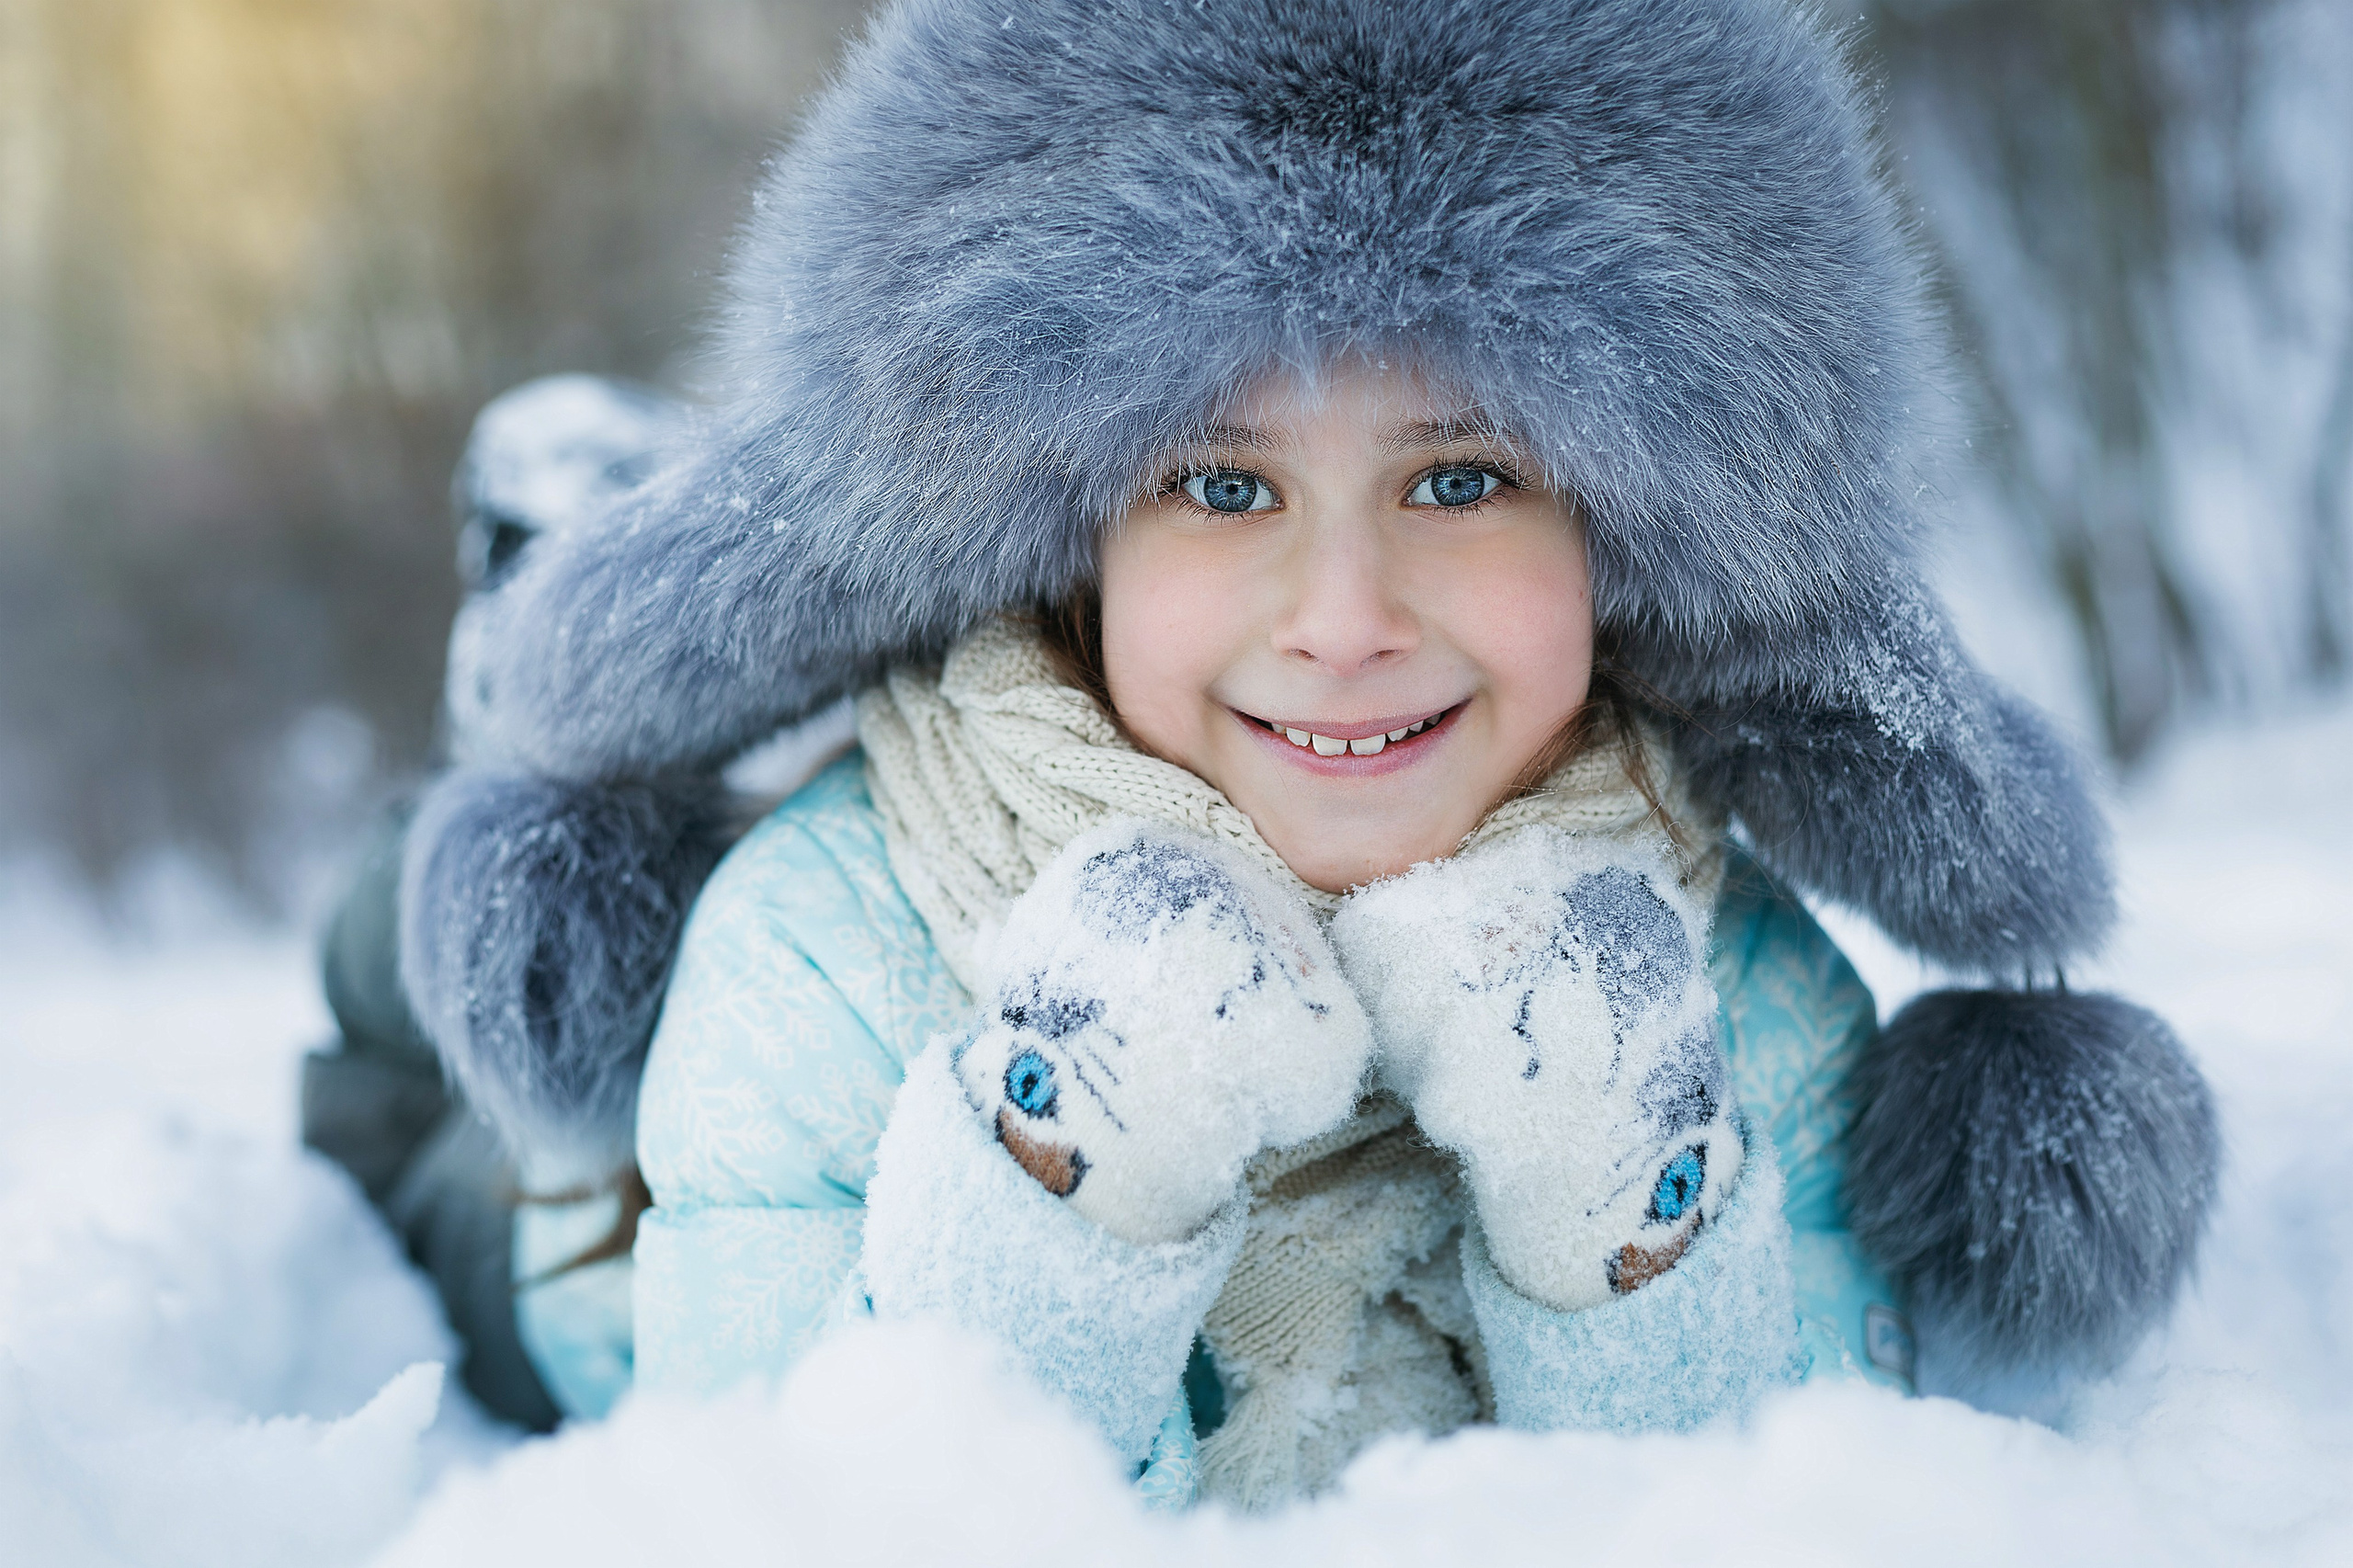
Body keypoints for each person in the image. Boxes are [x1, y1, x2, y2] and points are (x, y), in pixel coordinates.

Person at [390, 0, 2222, 1505]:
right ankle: (539, 585)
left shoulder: (1733, 994)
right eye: (1215, 481)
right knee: (480, 1192)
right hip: (622, 1241)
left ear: (1632, 531)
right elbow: (787, 1514)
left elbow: (1769, 1506)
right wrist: (1061, 1172)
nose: (1342, 613)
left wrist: (1619, 1227)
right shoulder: (813, 950)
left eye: (1458, 476)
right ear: (1060, 535)